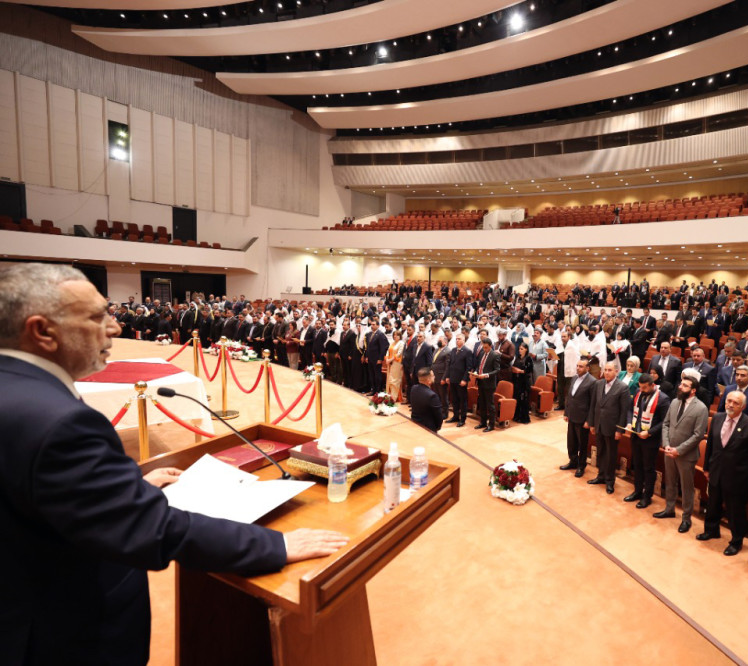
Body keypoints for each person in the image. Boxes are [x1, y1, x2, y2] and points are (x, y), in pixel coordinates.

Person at [0, 263, 348, 665]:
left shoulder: (17, 391)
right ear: (42, 331)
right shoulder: (58, 420)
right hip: (62, 637)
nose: (113, 328)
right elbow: (153, 530)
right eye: (97, 317)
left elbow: (38, 486)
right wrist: (275, 544)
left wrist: (129, 484)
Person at [699, 391, 748, 555]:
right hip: (715, 471)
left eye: (735, 403)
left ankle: (736, 541)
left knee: (735, 511)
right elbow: (711, 446)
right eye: (728, 401)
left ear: (742, 406)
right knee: (712, 503)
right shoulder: (717, 418)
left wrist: (741, 464)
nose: (730, 405)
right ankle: (711, 530)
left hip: (738, 476)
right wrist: (707, 467)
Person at [655, 375, 710, 531]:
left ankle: (686, 518)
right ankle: (669, 509)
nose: (680, 387)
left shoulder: (701, 408)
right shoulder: (674, 402)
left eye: (685, 386)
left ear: (693, 390)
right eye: (681, 384)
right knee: (670, 482)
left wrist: (679, 450)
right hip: (669, 450)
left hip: (686, 455)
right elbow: (665, 424)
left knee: (687, 487)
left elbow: (698, 435)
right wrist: (666, 445)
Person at [622, 374, 670, 509]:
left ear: (652, 385)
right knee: (637, 465)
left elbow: (665, 422)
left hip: (650, 440)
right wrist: (629, 423)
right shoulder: (638, 392)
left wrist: (649, 432)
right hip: (636, 435)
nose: (641, 390)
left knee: (648, 468)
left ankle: (647, 496)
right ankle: (637, 491)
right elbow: (631, 409)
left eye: (644, 388)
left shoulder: (663, 399)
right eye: (640, 387)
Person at [587, 362, 631, 494]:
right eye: (605, 370)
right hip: (599, 424)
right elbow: (593, 405)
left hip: (612, 427)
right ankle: (600, 476)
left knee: (611, 455)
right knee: (600, 452)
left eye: (609, 370)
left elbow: (624, 411)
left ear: (616, 372)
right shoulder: (599, 384)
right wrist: (592, 423)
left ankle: (610, 481)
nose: (606, 372)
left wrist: (619, 430)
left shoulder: (622, 387)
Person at [561, 359, 597, 477]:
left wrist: (589, 420)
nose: (578, 368)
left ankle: (581, 466)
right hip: (572, 415)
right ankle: (573, 461)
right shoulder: (574, 378)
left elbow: (593, 403)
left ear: (588, 368)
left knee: (582, 444)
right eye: (577, 366)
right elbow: (570, 396)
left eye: (581, 366)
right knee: (571, 442)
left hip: (583, 419)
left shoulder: (592, 382)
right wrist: (566, 412)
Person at [445, 333, 476, 427]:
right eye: (456, 339)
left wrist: (465, 379)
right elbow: (450, 364)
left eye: (459, 339)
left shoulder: (467, 351)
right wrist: (448, 376)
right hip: (453, 378)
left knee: (462, 400)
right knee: (454, 399)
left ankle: (462, 419)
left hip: (461, 380)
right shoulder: (453, 350)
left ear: (463, 340)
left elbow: (468, 367)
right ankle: (455, 416)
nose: (457, 340)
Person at [473, 337, 501, 432]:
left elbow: (497, 370)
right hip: (481, 382)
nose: (484, 349)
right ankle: (483, 422)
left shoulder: (495, 355)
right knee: (482, 403)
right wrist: (477, 372)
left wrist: (487, 375)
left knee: (490, 405)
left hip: (489, 383)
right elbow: (479, 366)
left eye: (486, 347)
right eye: (483, 347)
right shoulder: (481, 353)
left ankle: (491, 425)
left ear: (490, 346)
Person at [409, 367, 443, 432]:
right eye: (433, 376)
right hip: (428, 427)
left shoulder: (413, 388)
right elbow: (439, 416)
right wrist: (437, 427)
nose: (435, 377)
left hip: (415, 422)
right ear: (428, 380)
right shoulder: (432, 395)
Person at [511, 342, 533, 424]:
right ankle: (517, 416)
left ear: (526, 350)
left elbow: (529, 370)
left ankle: (524, 418)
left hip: (524, 381)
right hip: (517, 381)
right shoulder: (518, 357)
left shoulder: (528, 358)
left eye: (522, 349)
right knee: (517, 398)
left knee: (524, 399)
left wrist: (520, 371)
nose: (520, 350)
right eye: (519, 349)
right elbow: (513, 366)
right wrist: (513, 369)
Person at [384, 329, 404, 401]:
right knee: (389, 379)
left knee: (394, 380)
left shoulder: (401, 343)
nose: (395, 336)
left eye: (397, 335)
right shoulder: (392, 343)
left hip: (397, 363)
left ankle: (394, 397)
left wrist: (390, 360)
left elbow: (399, 354)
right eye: (394, 335)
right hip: (390, 363)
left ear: (400, 336)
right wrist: (386, 358)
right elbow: (387, 351)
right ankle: (389, 395)